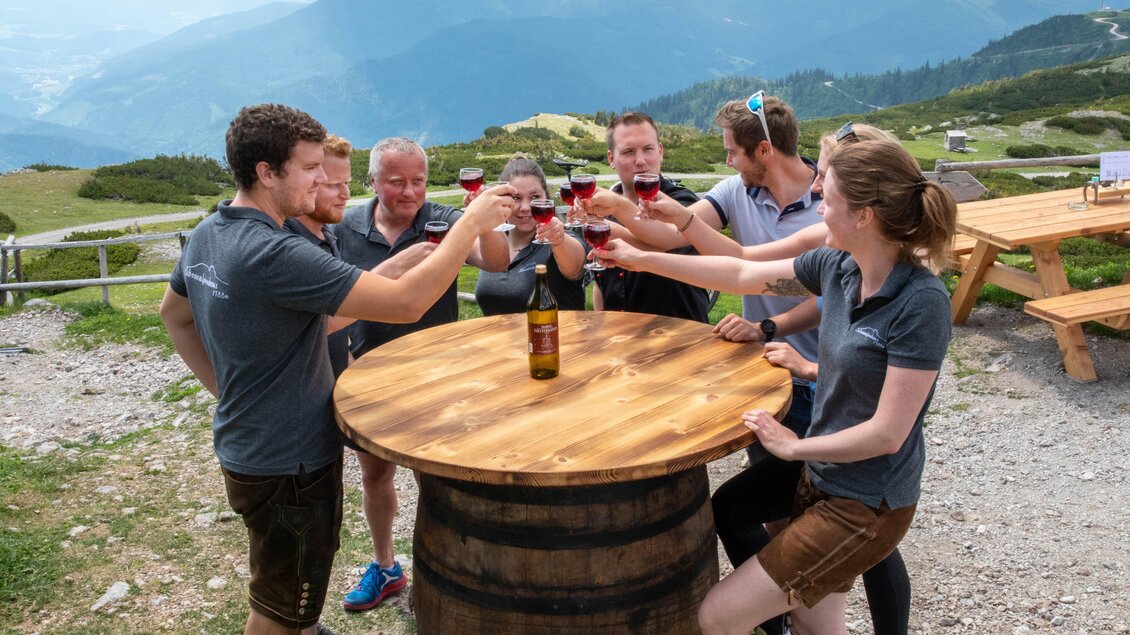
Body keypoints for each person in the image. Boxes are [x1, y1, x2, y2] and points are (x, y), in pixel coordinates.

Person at [159, 103, 514, 635]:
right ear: (266, 172)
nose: (322, 178)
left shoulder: (212, 232)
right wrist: (471, 224)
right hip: (292, 462)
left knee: (289, 591)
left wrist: (229, 391)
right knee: (278, 610)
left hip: (248, 443)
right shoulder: (276, 251)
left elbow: (176, 315)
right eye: (309, 168)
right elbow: (407, 304)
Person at [587, 138, 956, 634]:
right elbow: (741, 271)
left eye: (830, 199)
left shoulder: (921, 302)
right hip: (820, 477)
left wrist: (793, 445)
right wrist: (640, 259)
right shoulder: (839, 268)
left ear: (865, 215)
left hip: (867, 502)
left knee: (718, 616)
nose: (820, 205)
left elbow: (888, 433)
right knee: (814, 624)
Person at [334, 137, 510, 611]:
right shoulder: (346, 227)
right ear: (372, 182)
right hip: (370, 371)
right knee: (376, 476)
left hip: (439, 375)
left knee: (441, 481)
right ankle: (386, 567)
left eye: (418, 180)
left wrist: (481, 218)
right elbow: (332, 304)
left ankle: (449, 576)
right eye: (396, 182)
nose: (409, 192)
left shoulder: (446, 219)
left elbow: (496, 262)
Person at [581, 111, 712, 321]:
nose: (640, 161)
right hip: (621, 341)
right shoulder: (605, 206)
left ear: (660, 152)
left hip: (681, 337)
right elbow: (601, 281)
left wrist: (615, 227)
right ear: (611, 158)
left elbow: (670, 249)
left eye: (648, 149)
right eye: (628, 152)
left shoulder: (684, 204)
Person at [473, 153, 585, 314]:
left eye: (534, 197)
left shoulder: (557, 239)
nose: (525, 207)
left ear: (546, 198)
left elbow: (575, 268)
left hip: (553, 337)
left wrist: (559, 239)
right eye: (516, 198)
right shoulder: (493, 239)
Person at [283, 133, 353, 378]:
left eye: (347, 183)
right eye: (334, 185)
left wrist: (345, 358)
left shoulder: (326, 234)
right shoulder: (292, 247)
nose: (346, 194)